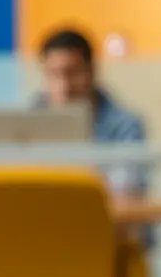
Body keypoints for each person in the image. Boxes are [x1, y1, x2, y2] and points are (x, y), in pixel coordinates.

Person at [36, 27, 149, 199]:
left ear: (92, 71)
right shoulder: (31, 118)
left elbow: (128, 195)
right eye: (53, 74)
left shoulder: (124, 125)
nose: (64, 86)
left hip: (104, 221)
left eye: (72, 73)